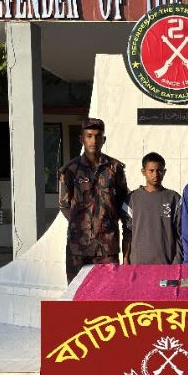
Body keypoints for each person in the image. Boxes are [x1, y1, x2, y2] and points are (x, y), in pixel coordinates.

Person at [57, 118, 129, 283]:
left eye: (98, 136)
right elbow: (64, 204)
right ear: (81, 139)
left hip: (107, 248)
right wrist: (81, 225)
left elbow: (124, 203)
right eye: (89, 136)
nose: (93, 140)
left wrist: (107, 222)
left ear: (104, 139)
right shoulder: (70, 170)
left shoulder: (115, 168)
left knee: (108, 293)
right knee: (77, 292)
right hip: (79, 248)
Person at [121, 152, 182, 264]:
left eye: (159, 170)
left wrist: (177, 260)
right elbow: (127, 232)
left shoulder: (174, 198)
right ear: (143, 171)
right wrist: (125, 259)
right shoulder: (132, 199)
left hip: (166, 263)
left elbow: (180, 233)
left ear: (164, 172)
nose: (156, 174)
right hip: (138, 264)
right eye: (151, 171)